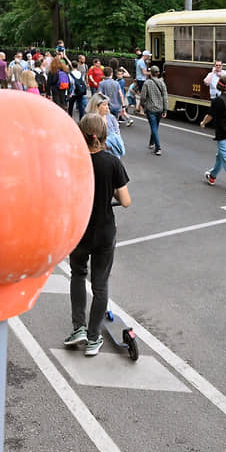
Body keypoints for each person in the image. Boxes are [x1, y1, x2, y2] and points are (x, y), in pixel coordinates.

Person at [63, 114, 131, 357]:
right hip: (104, 230)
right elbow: (125, 201)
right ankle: (93, 338)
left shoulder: (73, 162)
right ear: (103, 136)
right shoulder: (112, 162)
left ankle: (78, 328)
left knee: (78, 275)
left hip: (78, 231)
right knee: (100, 284)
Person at [136, 65, 168, 156]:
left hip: (150, 108)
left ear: (150, 73)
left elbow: (142, 97)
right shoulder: (162, 83)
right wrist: (165, 109)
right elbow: (165, 97)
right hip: (160, 108)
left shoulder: (147, 83)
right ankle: (151, 142)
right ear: (158, 73)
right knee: (155, 126)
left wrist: (143, 105)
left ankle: (158, 147)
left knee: (153, 127)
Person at [86, 93, 125, 158]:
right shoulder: (90, 119)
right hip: (97, 153)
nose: (107, 107)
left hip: (113, 152)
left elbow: (117, 132)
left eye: (107, 104)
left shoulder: (111, 118)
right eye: (104, 105)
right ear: (96, 106)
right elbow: (90, 136)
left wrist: (115, 143)